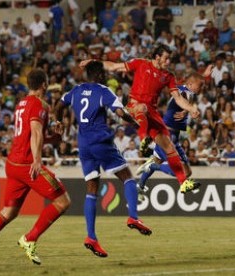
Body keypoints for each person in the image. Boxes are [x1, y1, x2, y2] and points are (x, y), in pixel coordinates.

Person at [0, 69, 71, 270]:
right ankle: (30, 238)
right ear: (44, 85)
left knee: (9, 211)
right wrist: (38, 160)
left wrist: (54, 138)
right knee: (63, 201)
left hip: (13, 164)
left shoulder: (22, 103)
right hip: (27, 164)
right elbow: (35, 133)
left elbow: (31, 134)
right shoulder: (39, 104)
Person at [54, 61, 151, 258]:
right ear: (98, 75)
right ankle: (133, 217)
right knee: (128, 177)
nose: (106, 76)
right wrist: (134, 121)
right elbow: (120, 112)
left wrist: (58, 120)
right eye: (104, 73)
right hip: (100, 140)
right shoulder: (103, 90)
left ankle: (91, 237)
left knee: (92, 188)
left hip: (83, 145)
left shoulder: (76, 90)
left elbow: (59, 104)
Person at [79, 45, 201, 194]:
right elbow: (115, 67)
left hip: (151, 113)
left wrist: (191, 108)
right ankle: (144, 139)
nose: (168, 61)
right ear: (157, 57)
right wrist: (94, 62)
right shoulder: (140, 63)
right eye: (166, 58)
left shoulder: (168, 76)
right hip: (134, 106)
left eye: (169, 59)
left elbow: (177, 98)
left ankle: (183, 182)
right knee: (142, 107)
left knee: (169, 147)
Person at [135, 70, 210, 197]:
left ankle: (141, 185)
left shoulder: (187, 91)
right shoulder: (183, 92)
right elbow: (182, 100)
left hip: (173, 136)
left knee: (187, 172)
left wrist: (186, 111)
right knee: (179, 171)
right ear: (191, 84)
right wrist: (190, 109)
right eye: (199, 86)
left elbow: (187, 96)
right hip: (168, 135)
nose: (201, 88)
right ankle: (152, 167)